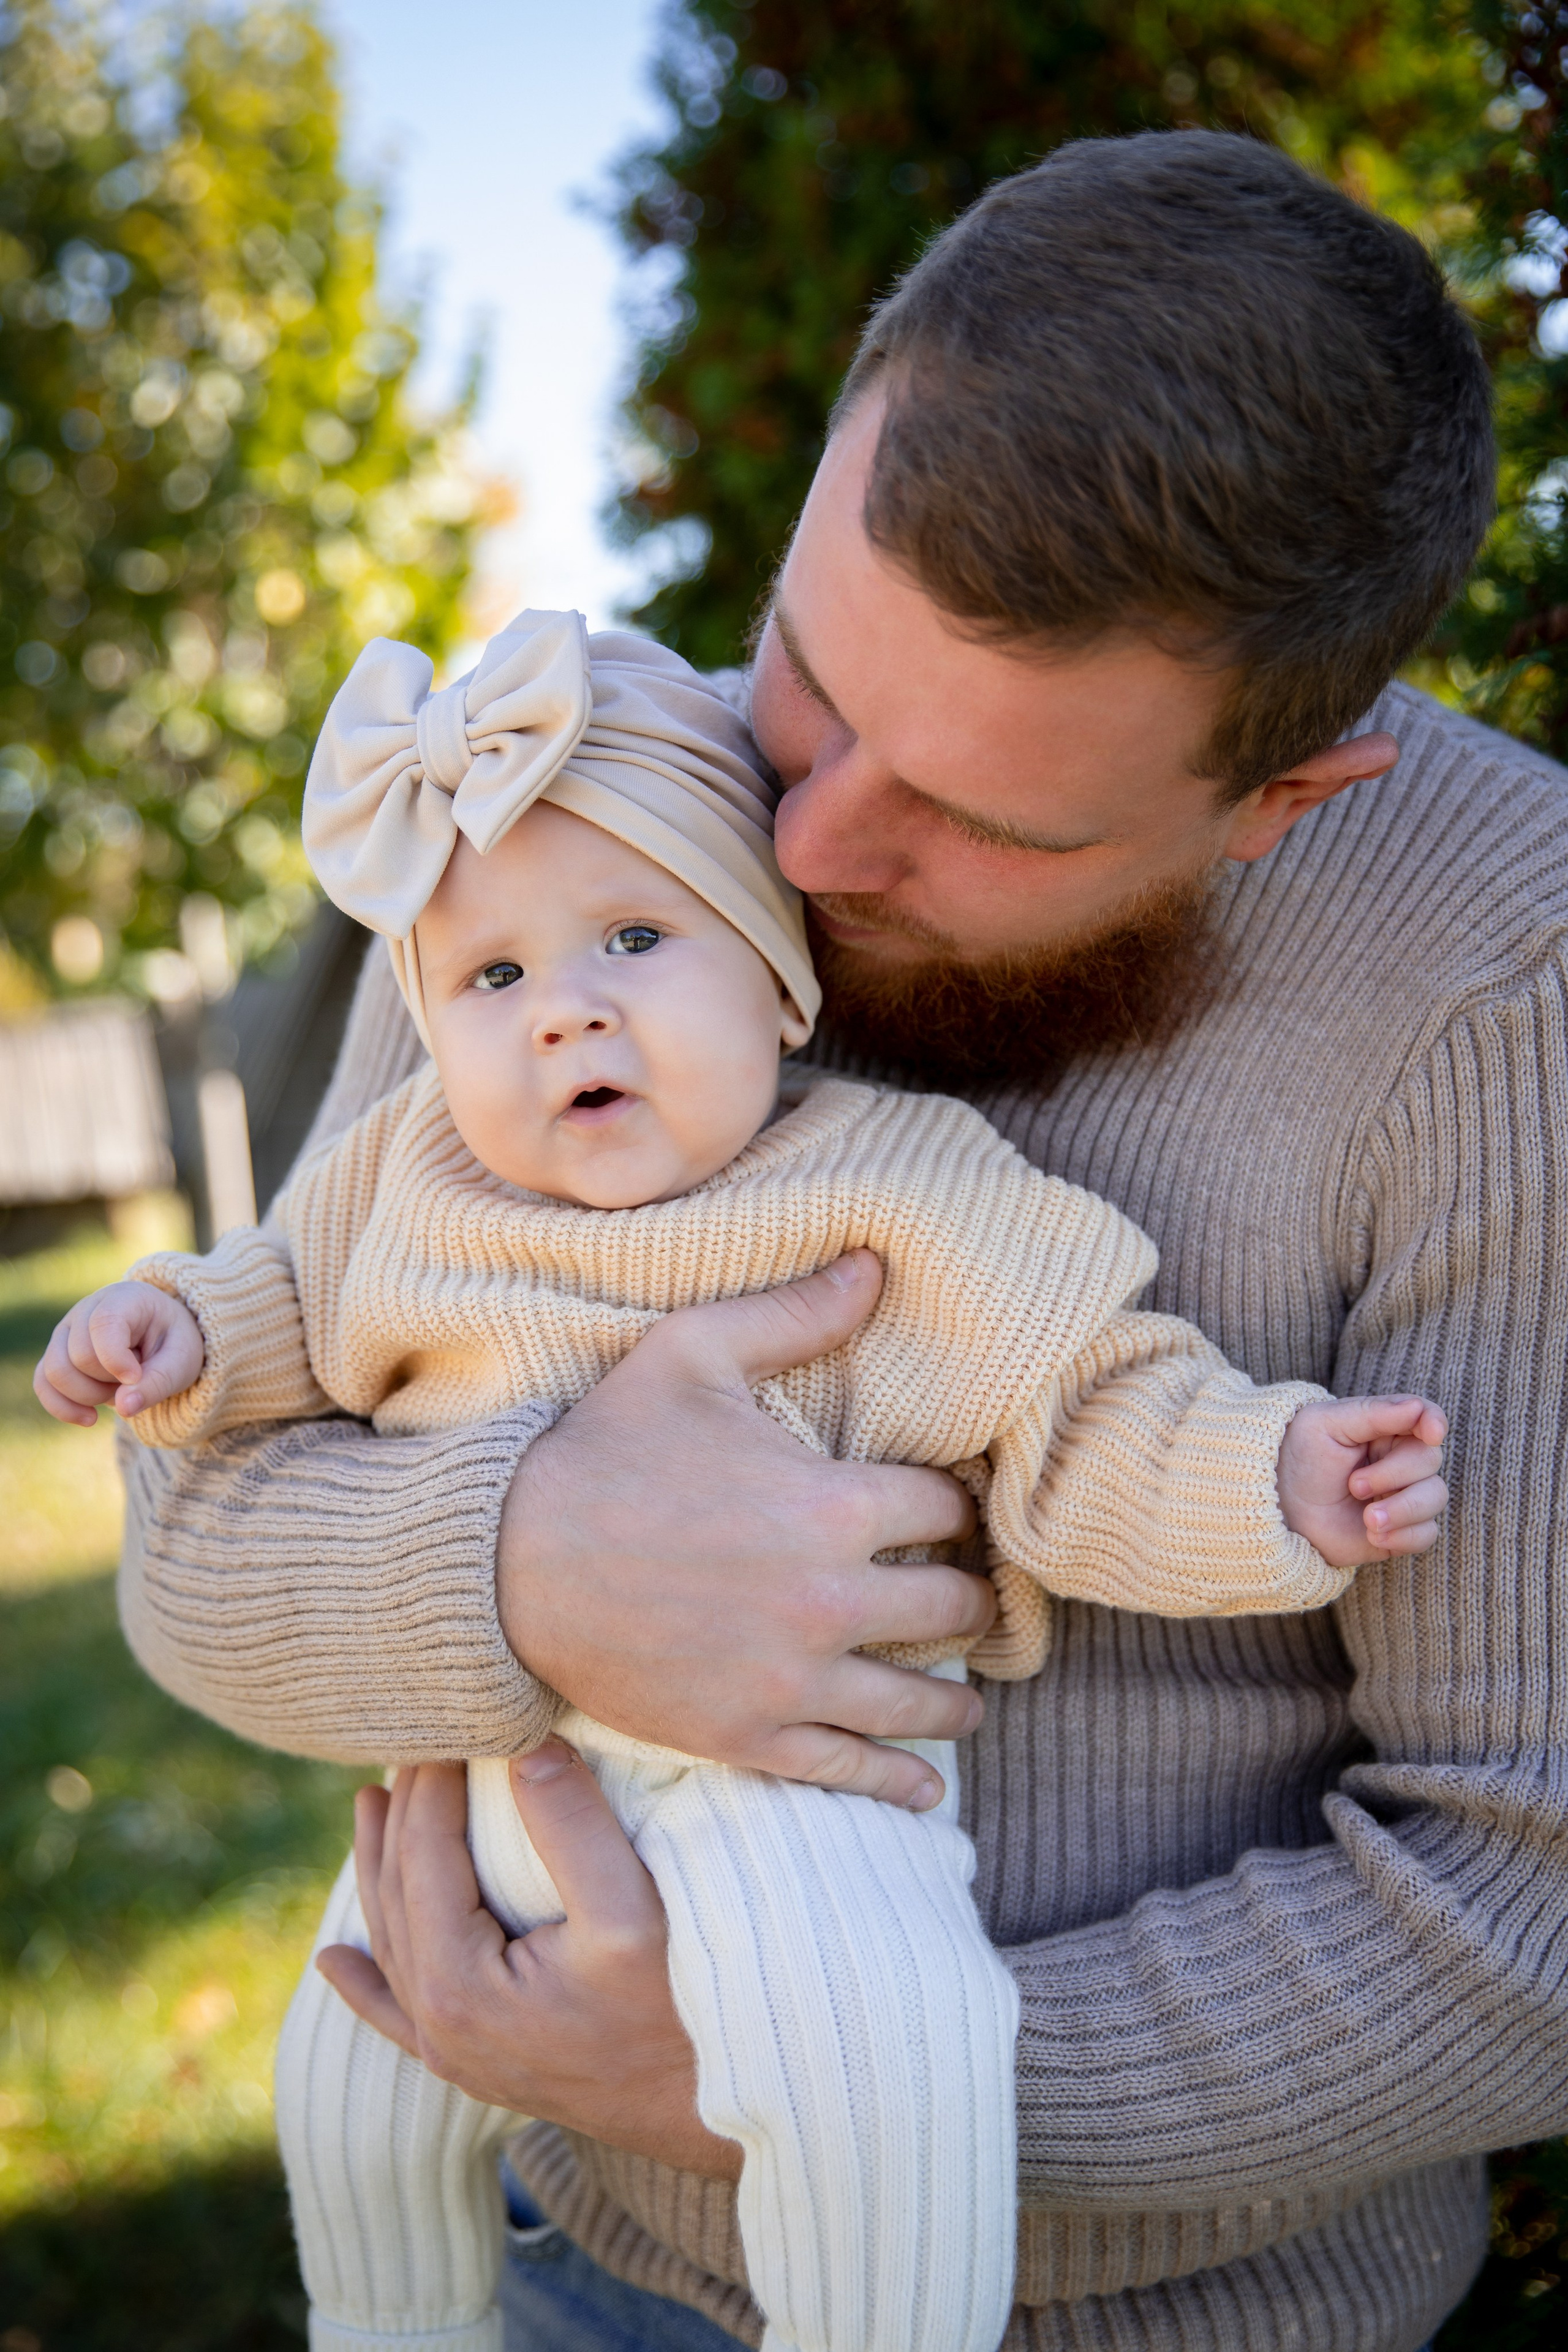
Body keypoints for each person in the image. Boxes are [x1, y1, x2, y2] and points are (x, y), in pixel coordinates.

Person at [109, 130, 1568, 2352]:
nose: (798, 832)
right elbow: (196, 1532)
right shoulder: (598, 789)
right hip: (575, 2275)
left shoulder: (1506, 978)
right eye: (804, 668)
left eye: (977, 818)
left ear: (1285, 798)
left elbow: (1527, 1896)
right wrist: (522, 1564)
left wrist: (806, 2082)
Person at [39, 609, 1447, 2352]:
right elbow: (272, 1301)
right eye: (492, 979)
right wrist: (163, 1332)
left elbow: (1087, 1409)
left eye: (633, 937)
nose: (566, 1014)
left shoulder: (896, 1185)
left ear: (780, 977)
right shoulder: (404, 1177)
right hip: (496, 1768)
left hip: (794, 1785)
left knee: (881, 2061)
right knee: (354, 2081)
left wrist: (1271, 1478)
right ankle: (393, 2326)